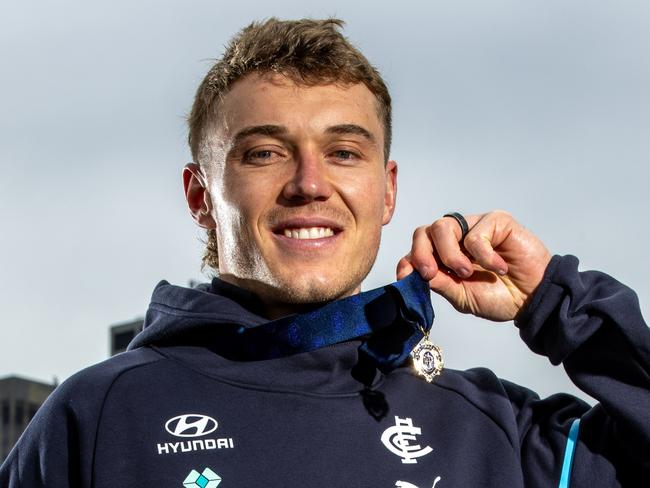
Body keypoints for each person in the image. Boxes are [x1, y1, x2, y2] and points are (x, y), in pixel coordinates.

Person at [1, 18, 648, 488]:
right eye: (264, 152)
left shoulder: (495, 428)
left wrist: (560, 305)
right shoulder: (99, 417)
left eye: (343, 152)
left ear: (386, 191)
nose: (310, 184)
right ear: (201, 197)